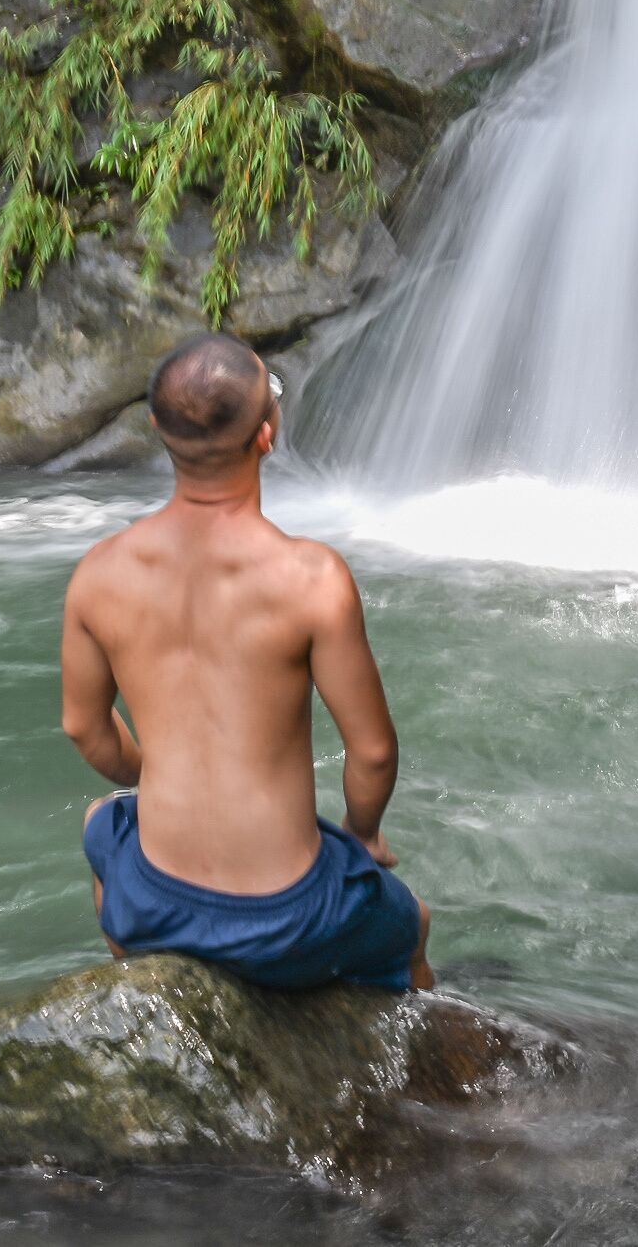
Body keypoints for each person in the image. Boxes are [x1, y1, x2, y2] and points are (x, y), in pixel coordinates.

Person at [60, 333, 433, 992]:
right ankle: (425, 1064)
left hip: (154, 903)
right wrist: (364, 834)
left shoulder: (99, 573)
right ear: (268, 433)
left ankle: (139, 974)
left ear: (156, 429)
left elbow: (85, 729)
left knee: (100, 824)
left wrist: (159, 776)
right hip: (290, 916)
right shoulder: (312, 579)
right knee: (412, 923)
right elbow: (372, 752)